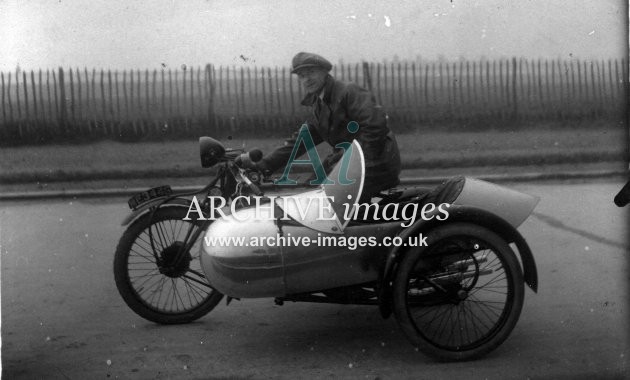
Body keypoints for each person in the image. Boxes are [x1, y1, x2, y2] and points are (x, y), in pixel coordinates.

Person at [256, 52, 401, 200]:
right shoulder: (319, 103)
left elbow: (375, 126)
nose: (307, 79)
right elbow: (302, 140)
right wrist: (265, 164)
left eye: (311, 72)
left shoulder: (348, 91)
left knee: (324, 200)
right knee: (311, 191)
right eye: (302, 75)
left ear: (324, 72)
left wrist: (352, 161)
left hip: (375, 162)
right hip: (348, 161)